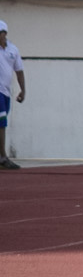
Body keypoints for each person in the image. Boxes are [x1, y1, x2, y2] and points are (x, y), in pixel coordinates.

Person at [0, 20, 26, 170]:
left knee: (2, 122)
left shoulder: (13, 50)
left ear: (5, 33)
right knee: (1, 122)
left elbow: (19, 71)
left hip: (5, 92)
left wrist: (23, 90)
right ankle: (3, 156)